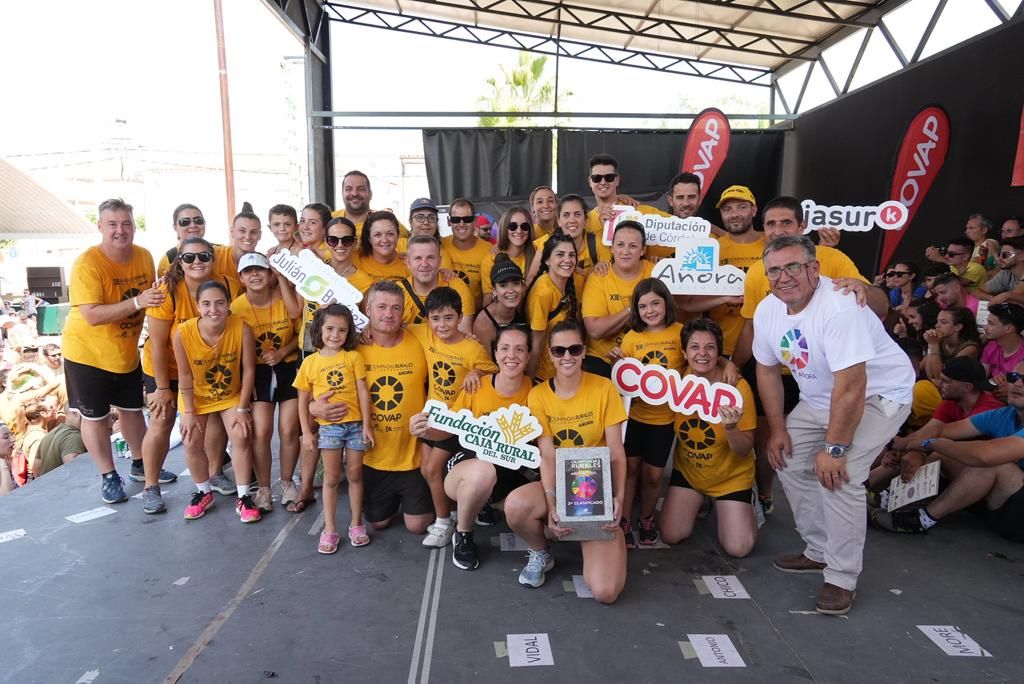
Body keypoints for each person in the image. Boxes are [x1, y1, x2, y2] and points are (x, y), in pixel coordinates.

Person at [754, 234, 914, 615]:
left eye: (793, 266)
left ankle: (841, 577)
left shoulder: (840, 307)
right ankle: (819, 549)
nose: (783, 277)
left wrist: (834, 448)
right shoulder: (767, 310)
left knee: (839, 475)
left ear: (814, 268)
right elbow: (766, 370)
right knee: (787, 459)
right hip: (821, 399)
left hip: (879, 395)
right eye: (774, 270)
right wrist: (777, 429)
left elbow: (852, 387)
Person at [734, 195, 885, 517]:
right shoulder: (758, 275)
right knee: (778, 447)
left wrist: (863, 288)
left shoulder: (832, 261)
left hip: (855, 387)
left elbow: (879, 306)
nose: (776, 229)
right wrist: (733, 364)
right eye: (770, 223)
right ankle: (766, 499)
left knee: (837, 473)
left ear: (802, 226)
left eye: (785, 222)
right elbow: (751, 331)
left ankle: (836, 561)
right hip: (789, 374)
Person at [503, 320, 627, 603]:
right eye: (559, 350)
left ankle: (611, 532)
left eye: (574, 349)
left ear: (584, 351)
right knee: (516, 505)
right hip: (559, 480)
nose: (567, 356)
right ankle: (541, 550)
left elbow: (616, 452)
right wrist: (551, 501)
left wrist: (618, 497)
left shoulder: (604, 388)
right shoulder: (538, 395)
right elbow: (547, 454)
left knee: (606, 592)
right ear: (550, 353)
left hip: (595, 490)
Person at [409, 324, 535, 570]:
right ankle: (464, 533)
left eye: (520, 349)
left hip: (511, 473)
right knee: (482, 471)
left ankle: (486, 504)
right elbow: (448, 428)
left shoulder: (537, 391)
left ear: (529, 355)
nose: (512, 355)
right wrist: (423, 427)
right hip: (468, 469)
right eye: (505, 348)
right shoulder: (477, 386)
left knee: (548, 528)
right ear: (495, 353)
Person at [310, 281, 432, 534]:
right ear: (368, 309)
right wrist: (314, 408)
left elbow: (454, 339)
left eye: (396, 308)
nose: (389, 314)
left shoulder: (421, 336)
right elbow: (316, 384)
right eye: (382, 307)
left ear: (404, 311)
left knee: (417, 526)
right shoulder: (351, 347)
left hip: (413, 456)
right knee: (378, 522)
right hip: (373, 456)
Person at [62, 198, 163, 504]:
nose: (121, 230)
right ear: (100, 227)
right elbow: (91, 314)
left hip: (125, 352)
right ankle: (108, 476)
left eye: (126, 224)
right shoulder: (87, 263)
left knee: (133, 410)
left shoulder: (144, 256)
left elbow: (155, 298)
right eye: (113, 224)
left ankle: (140, 463)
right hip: (86, 354)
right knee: (96, 417)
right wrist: (136, 303)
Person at [871, 360, 1024, 543]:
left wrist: (927, 445)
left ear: (967, 387)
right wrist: (915, 449)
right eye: (1015, 377)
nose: (1018, 384)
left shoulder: (989, 406)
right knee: (942, 451)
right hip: (1002, 503)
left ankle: (920, 521)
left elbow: (985, 455)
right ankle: (890, 497)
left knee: (992, 463)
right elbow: (938, 431)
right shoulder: (1005, 414)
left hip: (1017, 516)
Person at [139, 238, 229, 513]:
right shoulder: (167, 291)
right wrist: (163, 388)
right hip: (166, 368)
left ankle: (214, 472)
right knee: (162, 420)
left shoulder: (224, 283)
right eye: (189, 258)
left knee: (214, 416)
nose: (197, 262)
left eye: (203, 256)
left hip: (203, 368)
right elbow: (156, 343)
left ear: (213, 259)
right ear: (180, 262)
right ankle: (150, 486)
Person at [659, 319, 757, 556]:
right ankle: (701, 502)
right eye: (694, 347)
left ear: (719, 352)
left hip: (731, 477)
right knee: (671, 535)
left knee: (738, 548)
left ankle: (750, 506)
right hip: (690, 474)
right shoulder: (677, 379)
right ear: (684, 352)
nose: (702, 353)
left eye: (710, 348)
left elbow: (744, 449)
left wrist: (731, 428)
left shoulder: (737, 388)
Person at [410, 288, 496, 547]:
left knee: (432, 468)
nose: (442, 324)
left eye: (448, 318)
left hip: (457, 421)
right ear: (427, 320)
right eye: (435, 319)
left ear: (460, 318)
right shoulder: (424, 333)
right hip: (432, 415)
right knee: (427, 470)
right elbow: (397, 326)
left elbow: (492, 370)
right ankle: (462, 507)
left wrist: (476, 373)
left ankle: (444, 522)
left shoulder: (472, 348)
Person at [173, 280, 258, 522]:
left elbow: (249, 371)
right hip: (196, 396)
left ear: (228, 304)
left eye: (220, 303)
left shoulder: (241, 328)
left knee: (241, 434)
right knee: (190, 441)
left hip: (230, 395)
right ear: (197, 305)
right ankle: (203, 492)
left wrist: (242, 408)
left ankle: (243, 497)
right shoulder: (182, 333)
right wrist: (188, 411)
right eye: (207, 304)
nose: (214, 310)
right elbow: (185, 375)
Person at [294, 304, 375, 553]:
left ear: (349, 332)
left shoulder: (353, 357)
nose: (335, 335)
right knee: (330, 478)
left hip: (354, 427)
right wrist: (307, 432)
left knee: (354, 475)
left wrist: (366, 424)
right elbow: (303, 400)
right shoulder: (310, 362)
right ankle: (330, 530)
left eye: (342, 330)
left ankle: (356, 524)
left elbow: (363, 391)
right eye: (330, 328)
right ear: (319, 329)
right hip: (328, 429)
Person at [231, 252, 302, 513]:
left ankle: (287, 483)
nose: (255, 275)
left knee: (289, 429)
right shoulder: (236, 308)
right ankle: (263, 487)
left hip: (287, 366)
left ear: (270, 273)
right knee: (261, 432)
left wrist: (282, 353)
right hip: (257, 372)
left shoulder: (284, 298)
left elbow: (300, 333)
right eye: (248, 271)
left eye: (259, 269)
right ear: (241, 277)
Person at [615, 278, 684, 546]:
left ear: (667, 302)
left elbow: (698, 359)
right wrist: (618, 366)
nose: (650, 310)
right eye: (643, 306)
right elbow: (623, 380)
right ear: (636, 310)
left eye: (656, 303)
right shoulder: (632, 338)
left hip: (664, 419)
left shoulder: (680, 332)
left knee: (654, 474)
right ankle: (624, 520)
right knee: (630, 469)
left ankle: (646, 517)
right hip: (634, 418)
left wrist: (726, 363)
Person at [869, 357, 1003, 491]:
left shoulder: (988, 408)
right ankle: (866, 485)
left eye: (946, 381)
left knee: (937, 450)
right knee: (908, 455)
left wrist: (904, 446)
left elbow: (941, 436)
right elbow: (928, 431)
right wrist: (900, 449)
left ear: (967, 387)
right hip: (961, 463)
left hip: (987, 473)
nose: (939, 385)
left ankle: (915, 507)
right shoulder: (951, 401)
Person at [581, 220, 653, 377]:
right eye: (620, 245)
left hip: (645, 357)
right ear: (612, 248)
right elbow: (594, 330)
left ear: (642, 250)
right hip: (602, 359)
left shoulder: (655, 272)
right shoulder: (599, 276)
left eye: (632, 246)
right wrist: (633, 308)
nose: (625, 251)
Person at [526, 233, 585, 381]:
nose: (567, 260)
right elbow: (537, 342)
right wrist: (529, 381)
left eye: (572, 255)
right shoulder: (542, 292)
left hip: (563, 370)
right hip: (543, 376)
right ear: (547, 260)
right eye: (560, 254)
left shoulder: (571, 282)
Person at [400, 235, 474, 332]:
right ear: (408, 262)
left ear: (439, 261)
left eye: (430, 257)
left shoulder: (456, 286)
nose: (424, 264)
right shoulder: (398, 292)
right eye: (418, 258)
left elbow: (464, 335)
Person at [530, 195, 611, 280]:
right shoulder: (547, 243)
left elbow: (610, 278)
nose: (572, 220)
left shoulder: (597, 242)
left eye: (577, 214)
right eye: (566, 215)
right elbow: (531, 280)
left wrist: (599, 270)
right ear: (559, 221)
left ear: (586, 221)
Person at [441, 198, 492, 310]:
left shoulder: (489, 250)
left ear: (475, 220)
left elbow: (489, 294)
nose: (462, 224)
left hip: (475, 315)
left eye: (467, 219)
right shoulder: (439, 245)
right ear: (449, 221)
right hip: (443, 317)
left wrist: (481, 319)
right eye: (456, 219)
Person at [473, 255, 528, 354]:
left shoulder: (524, 307)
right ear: (494, 290)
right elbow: (486, 366)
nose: (511, 290)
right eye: (503, 285)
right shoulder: (483, 324)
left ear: (523, 287)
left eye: (516, 283)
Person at [330, 170, 408, 238]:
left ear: (370, 194)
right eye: (348, 189)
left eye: (361, 189)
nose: (354, 193)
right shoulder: (328, 219)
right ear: (342, 194)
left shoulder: (387, 222)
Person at [481, 207, 535, 296]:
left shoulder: (537, 255)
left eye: (524, 226)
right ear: (504, 228)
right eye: (512, 226)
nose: (519, 231)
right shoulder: (490, 260)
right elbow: (488, 300)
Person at [922, 306, 981, 382]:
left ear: (958, 327)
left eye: (943, 322)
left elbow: (941, 376)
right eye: (937, 321)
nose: (937, 326)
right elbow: (930, 375)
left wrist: (934, 345)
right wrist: (931, 345)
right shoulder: (938, 341)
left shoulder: (970, 348)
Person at [356, 211, 412, 284]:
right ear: (369, 238)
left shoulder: (409, 264)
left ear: (398, 236)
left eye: (390, 234)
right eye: (377, 235)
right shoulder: (356, 258)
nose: (385, 240)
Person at [980, 303, 1024, 391]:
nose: (985, 327)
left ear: (1008, 328)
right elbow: (980, 378)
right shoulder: (991, 346)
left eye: (991, 323)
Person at [35, 410, 85, 477]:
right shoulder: (73, 437)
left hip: (50, 485)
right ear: (76, 414)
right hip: (66, 485)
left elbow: (36, 467)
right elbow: (75, 469)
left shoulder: (50, 433)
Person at [979, 236, 1024, 303]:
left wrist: (1006, 296)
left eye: (1005, 255)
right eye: (1000, 254)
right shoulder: (1006, 272)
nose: (999, 258)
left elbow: (1014, 299)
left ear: (1021, 257)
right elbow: (977, 291)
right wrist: (993, 298)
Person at [0, 421, 16, 496]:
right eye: (6, 437)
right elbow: (8, 499)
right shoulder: (2, 464)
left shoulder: (6, 462)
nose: (13, 440)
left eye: (12, 435)